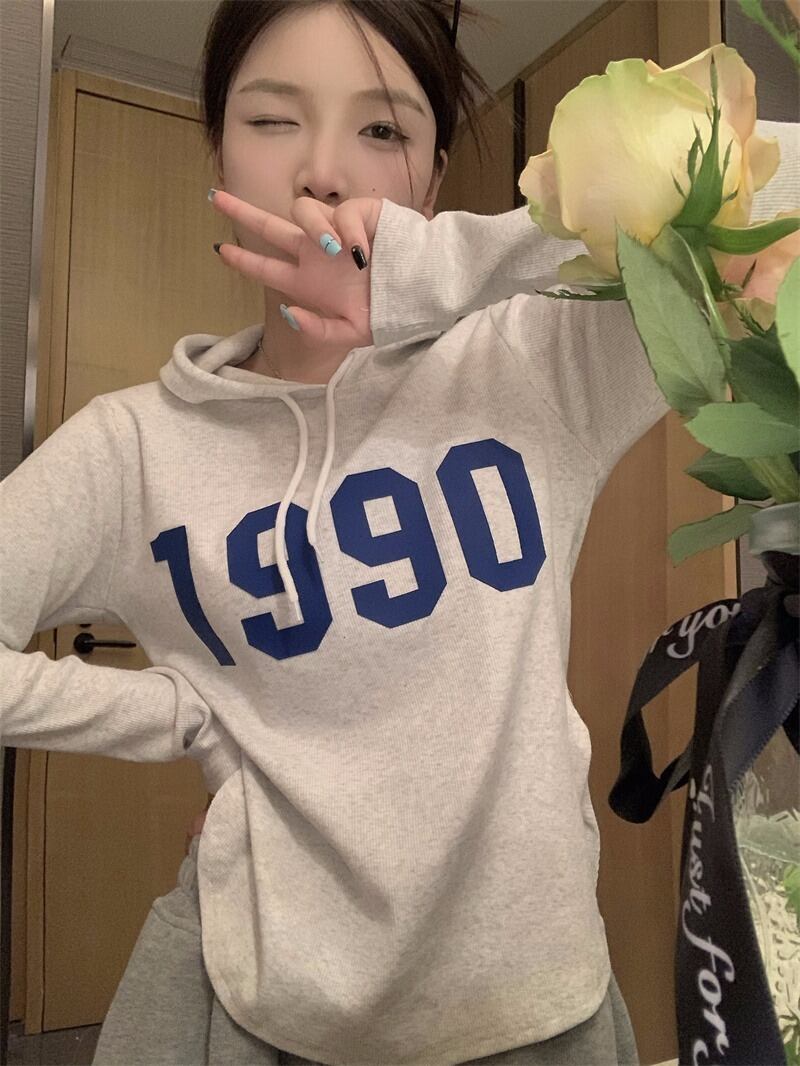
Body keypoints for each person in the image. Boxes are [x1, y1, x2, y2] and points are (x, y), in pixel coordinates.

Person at [1, 1, 795, 1063]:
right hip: (255, 1006)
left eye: (381, 129)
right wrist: (179, 713)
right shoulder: (134, 451)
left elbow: (762, 194)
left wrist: (441, 268)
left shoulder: (532, 364)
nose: (324, 172)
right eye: (272, 120)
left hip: (531, 1005)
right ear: (218, 148)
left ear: (430, 180)